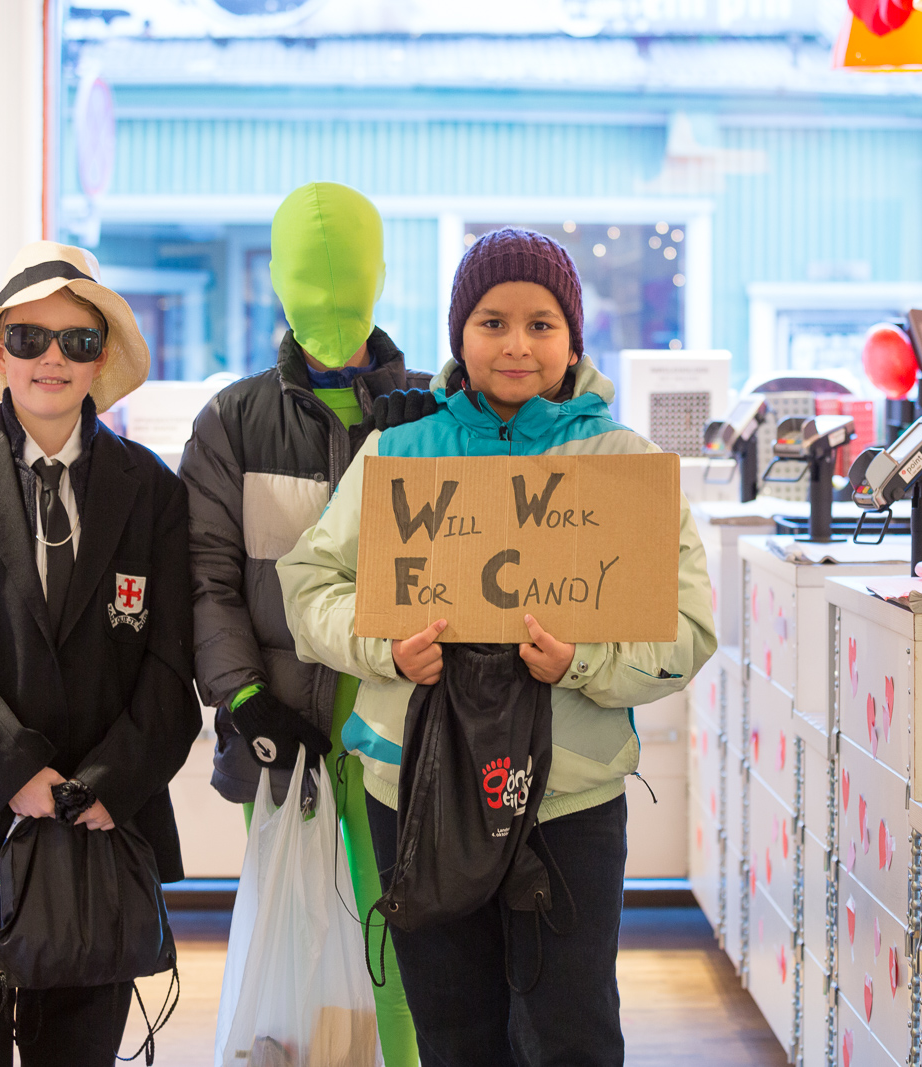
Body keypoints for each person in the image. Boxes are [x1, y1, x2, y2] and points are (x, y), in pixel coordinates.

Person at [277, 227, 717, 1067]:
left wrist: (584, 663)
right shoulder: (398, 453)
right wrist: (383, 646)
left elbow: (687, 629)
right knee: (451, 1032)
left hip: (569, 800)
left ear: (572, 337)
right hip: (417, 789)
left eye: (542, 323)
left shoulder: (622, 465)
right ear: (459, 335)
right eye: (491, 321)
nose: (517, 344)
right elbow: (309, 585)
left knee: (572, 1033)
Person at [0, 242, 201, 1066]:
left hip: (105, 822)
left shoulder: (156, 494)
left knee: (82, 1042)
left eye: (78, 340)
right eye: (30, 339)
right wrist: (21, 773)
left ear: (103, 358)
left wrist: (103, 787)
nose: (53, 358)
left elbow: (174, 672)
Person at [178, 181, 426, 1065]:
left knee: (405, 960)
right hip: (284, 737)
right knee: (300, 954)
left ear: (379, 277)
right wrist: (245, 700)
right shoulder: (233, 424)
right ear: (278, 283)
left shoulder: (432, 415)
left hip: (408, 738)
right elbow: (204, 578)